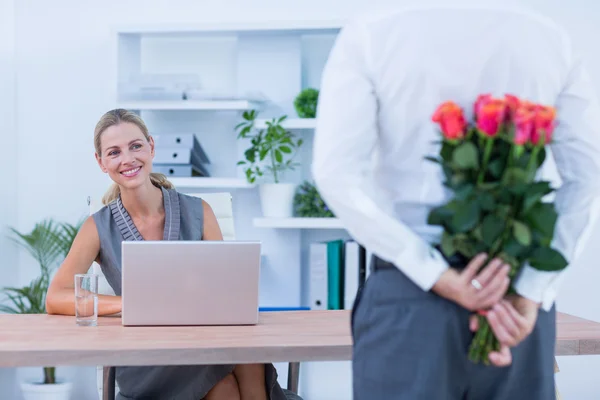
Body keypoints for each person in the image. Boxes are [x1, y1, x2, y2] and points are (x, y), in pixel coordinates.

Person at [312, 1, 600, 399]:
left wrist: (437, 276)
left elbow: (336, 174)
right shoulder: (548, 37)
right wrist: (533, 290)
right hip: (513, 300)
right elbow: (587, 177)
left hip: (408, 300)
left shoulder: (373, 33)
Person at [46, 109, 293, 400]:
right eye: (114, 152)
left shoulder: (199, 211)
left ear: (151, 146)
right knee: (234, 374)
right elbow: (55, 297)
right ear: (101, 162)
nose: (127, 159)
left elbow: (229, 291)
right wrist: (128, 303)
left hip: (202, 344)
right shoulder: (97, 227)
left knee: (241, 364)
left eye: (135, 146)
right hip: (146, 358)